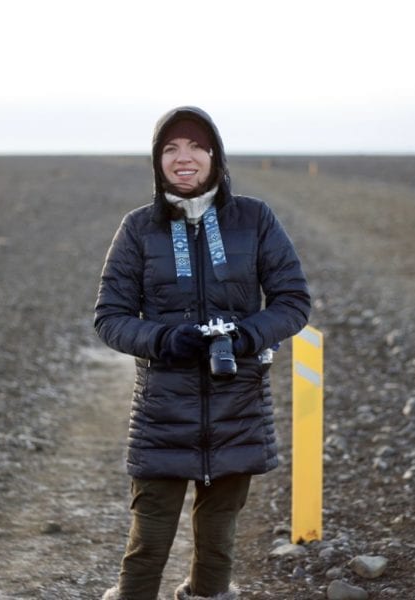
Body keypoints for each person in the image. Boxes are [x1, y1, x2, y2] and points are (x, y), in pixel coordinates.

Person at [95, 106, 311, 600]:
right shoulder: (137, 229)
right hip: (162, 414)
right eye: (170, 148)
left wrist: (245, 336)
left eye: (195, 146)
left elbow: (293, 301)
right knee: (147, 546)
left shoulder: (254, 219)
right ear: (157, 161)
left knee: (218, 546)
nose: (183, 157)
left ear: (215, 156)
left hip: (237, 408)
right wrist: (164, 340)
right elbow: (110, 317)